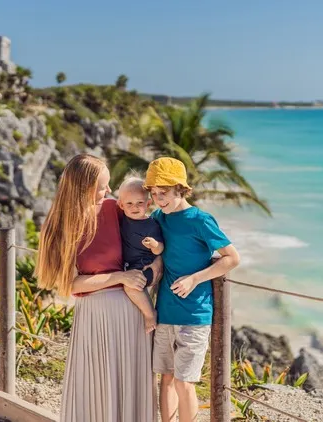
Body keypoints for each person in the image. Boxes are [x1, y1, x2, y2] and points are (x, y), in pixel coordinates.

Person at [35, 154, 161, 422]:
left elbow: (151, 229)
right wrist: (121, 277)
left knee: (132, 388)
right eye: (102, 187)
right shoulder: (61, 226)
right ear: (83, 187)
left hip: (132, 312)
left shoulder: (113, 208)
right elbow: (70, 284)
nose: (109, 192)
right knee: (97, 389)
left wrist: (158, 263)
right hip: (95, 316)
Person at [144, 157, 240, 422]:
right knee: (166, 379)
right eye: (153, 194)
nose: (158, 199)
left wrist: (195, 278)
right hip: (164, 312)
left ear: (179, 188)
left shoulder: (201, 220)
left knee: (184, 383)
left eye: (163, 193)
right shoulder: (158, 217)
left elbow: (232, 258)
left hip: (195, 315)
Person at [117, 176, 164, 333]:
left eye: (140, 203)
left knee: (130, 287)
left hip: (145, 265)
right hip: (129, 266)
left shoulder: (151, 225)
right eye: (129, 203)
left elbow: (160, 249)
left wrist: (154, 245)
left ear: (148, 204)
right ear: (121, 205)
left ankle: (150, 314)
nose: (134, 207)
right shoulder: (121, 220)